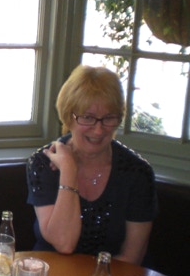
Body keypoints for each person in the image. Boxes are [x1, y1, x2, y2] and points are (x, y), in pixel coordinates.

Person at [26, 65, 158, 265]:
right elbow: (64, 243)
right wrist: (69, 171)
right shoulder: (43, 163)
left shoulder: (137, 173)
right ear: (69, 117)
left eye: (108, 118)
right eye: (87, 118)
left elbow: (132, 258)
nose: (98, 130)